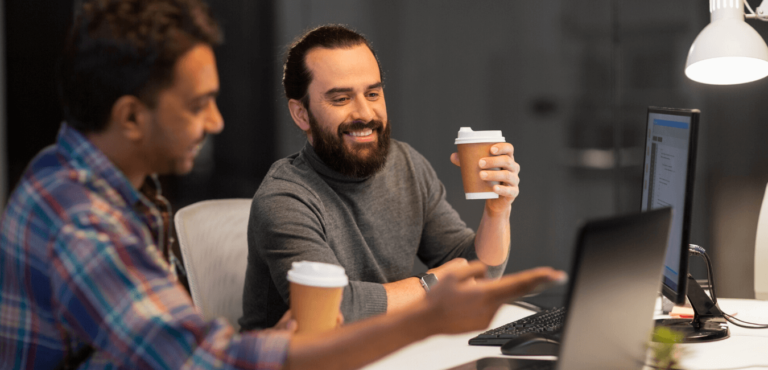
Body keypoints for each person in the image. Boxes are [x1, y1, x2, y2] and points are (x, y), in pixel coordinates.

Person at [0, 1, 564, 369]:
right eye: (198, 105)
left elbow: (155, 338)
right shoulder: (83, 219)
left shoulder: (111, 191)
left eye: (373, 91)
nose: (217, 122)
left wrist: (497, 212)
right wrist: (428, 305)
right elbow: (198, 358)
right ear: (129, 118)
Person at [241, 25, 523, 330]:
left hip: (384, 350)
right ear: (301, 114)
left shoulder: (406, 164)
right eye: (341, 99)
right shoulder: (284, 197)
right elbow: (335, 309)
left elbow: (477, 272)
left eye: (373, 93)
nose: (365, 112)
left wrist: (497, 210)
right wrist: (433, 285)